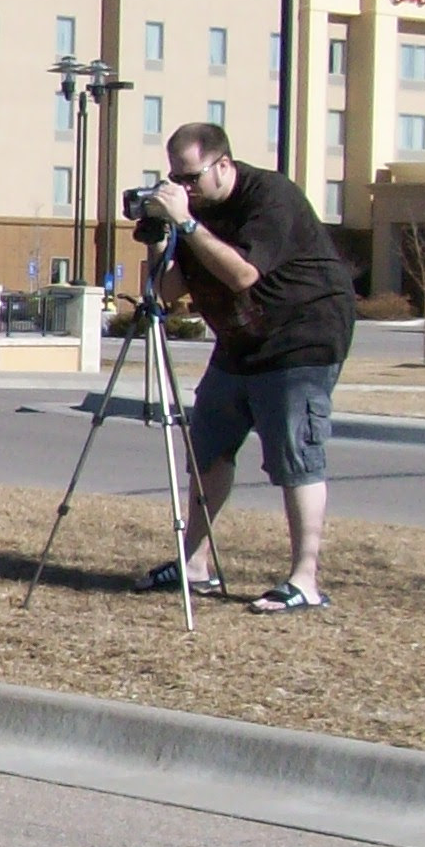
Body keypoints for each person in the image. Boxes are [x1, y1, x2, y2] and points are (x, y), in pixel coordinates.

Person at [131, 121, 356, 613]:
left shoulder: (269, 196)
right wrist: (159, 236)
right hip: (239, 343)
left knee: (295, 457)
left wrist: (188, 225)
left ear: (224, 165)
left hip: (303, 337)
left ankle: (304, 579)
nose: (183, 187)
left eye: (191, 177)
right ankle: (195, 565)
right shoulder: (194, 213)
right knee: (208, 445)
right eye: (176, 177)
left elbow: (242, 273)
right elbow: (165, 295)